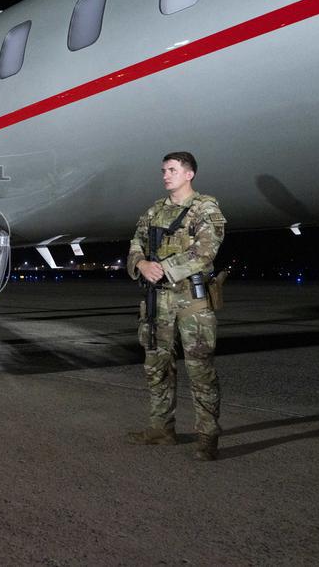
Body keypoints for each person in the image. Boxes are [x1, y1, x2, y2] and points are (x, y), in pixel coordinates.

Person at [126, 152, 226, 460]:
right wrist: (141, 263)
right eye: (163, 170)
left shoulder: (205, 208)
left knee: (200, 371)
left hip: (192, 302)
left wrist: (164, 268)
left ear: (189, 174)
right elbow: (135, 244)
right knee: (157, 368)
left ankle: (207, 436)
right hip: (158, 302)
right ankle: (161, 430)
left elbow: (206, 251)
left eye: (172, 170)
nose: (165, 175)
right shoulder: (154, 211)